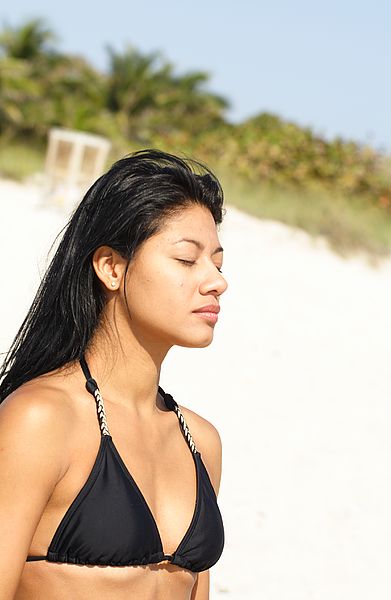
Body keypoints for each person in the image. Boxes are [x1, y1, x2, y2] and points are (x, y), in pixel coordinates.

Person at [0, 149, 228, 600]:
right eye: (187, 260)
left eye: (217, 263)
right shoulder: (41, 419)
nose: (216, 281)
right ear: (111, 267)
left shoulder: (201, 441)